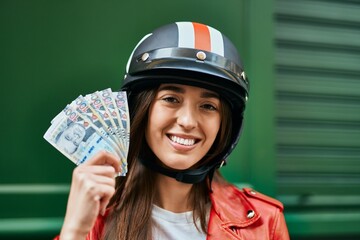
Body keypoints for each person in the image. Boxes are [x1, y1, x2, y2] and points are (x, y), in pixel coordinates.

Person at [56, 21, 290, 240]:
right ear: (141, 109)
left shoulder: (265, 222)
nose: (188, 121)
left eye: (208, 106)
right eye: (171, 99)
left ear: (225, 125)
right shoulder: (95, 219)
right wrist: (74, 230)